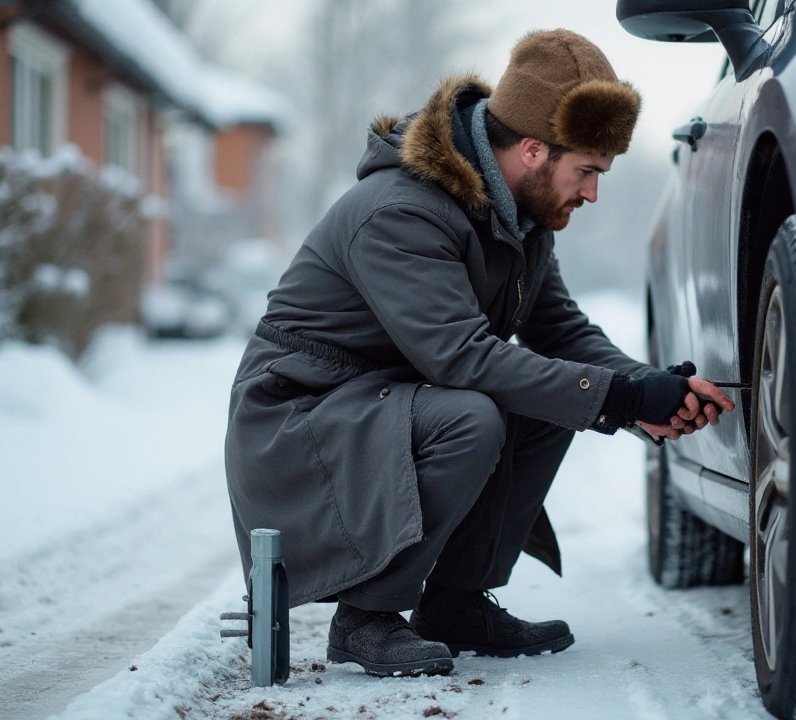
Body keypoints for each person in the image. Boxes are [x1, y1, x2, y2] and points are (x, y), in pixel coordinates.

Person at [224, 28, 735, 678]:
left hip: (384, 405)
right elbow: (460, 359)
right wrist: (624, 399)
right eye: (587, 171)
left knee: (554, 399)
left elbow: (562, 334)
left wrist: (649, 390)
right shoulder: (400, 212)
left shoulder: (517, 216)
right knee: (475, 415)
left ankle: (456, 607)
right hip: (300, 423)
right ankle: (365, 619)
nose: (592, 193)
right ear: (531, 149)